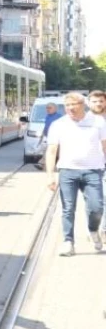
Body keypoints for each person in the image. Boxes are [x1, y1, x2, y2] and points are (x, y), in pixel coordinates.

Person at [44, 91, 106, 255]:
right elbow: (51, 151)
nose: (70, 108)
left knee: (97, 207)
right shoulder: (59, 124)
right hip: (68, 171)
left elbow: (105, 146)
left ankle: (93, 230)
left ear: (83, 105)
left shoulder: (98, 122)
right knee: (68, 208)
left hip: (93, 171)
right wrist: (50, 175)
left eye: (74, 105)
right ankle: (68, 242)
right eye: (67, 105)